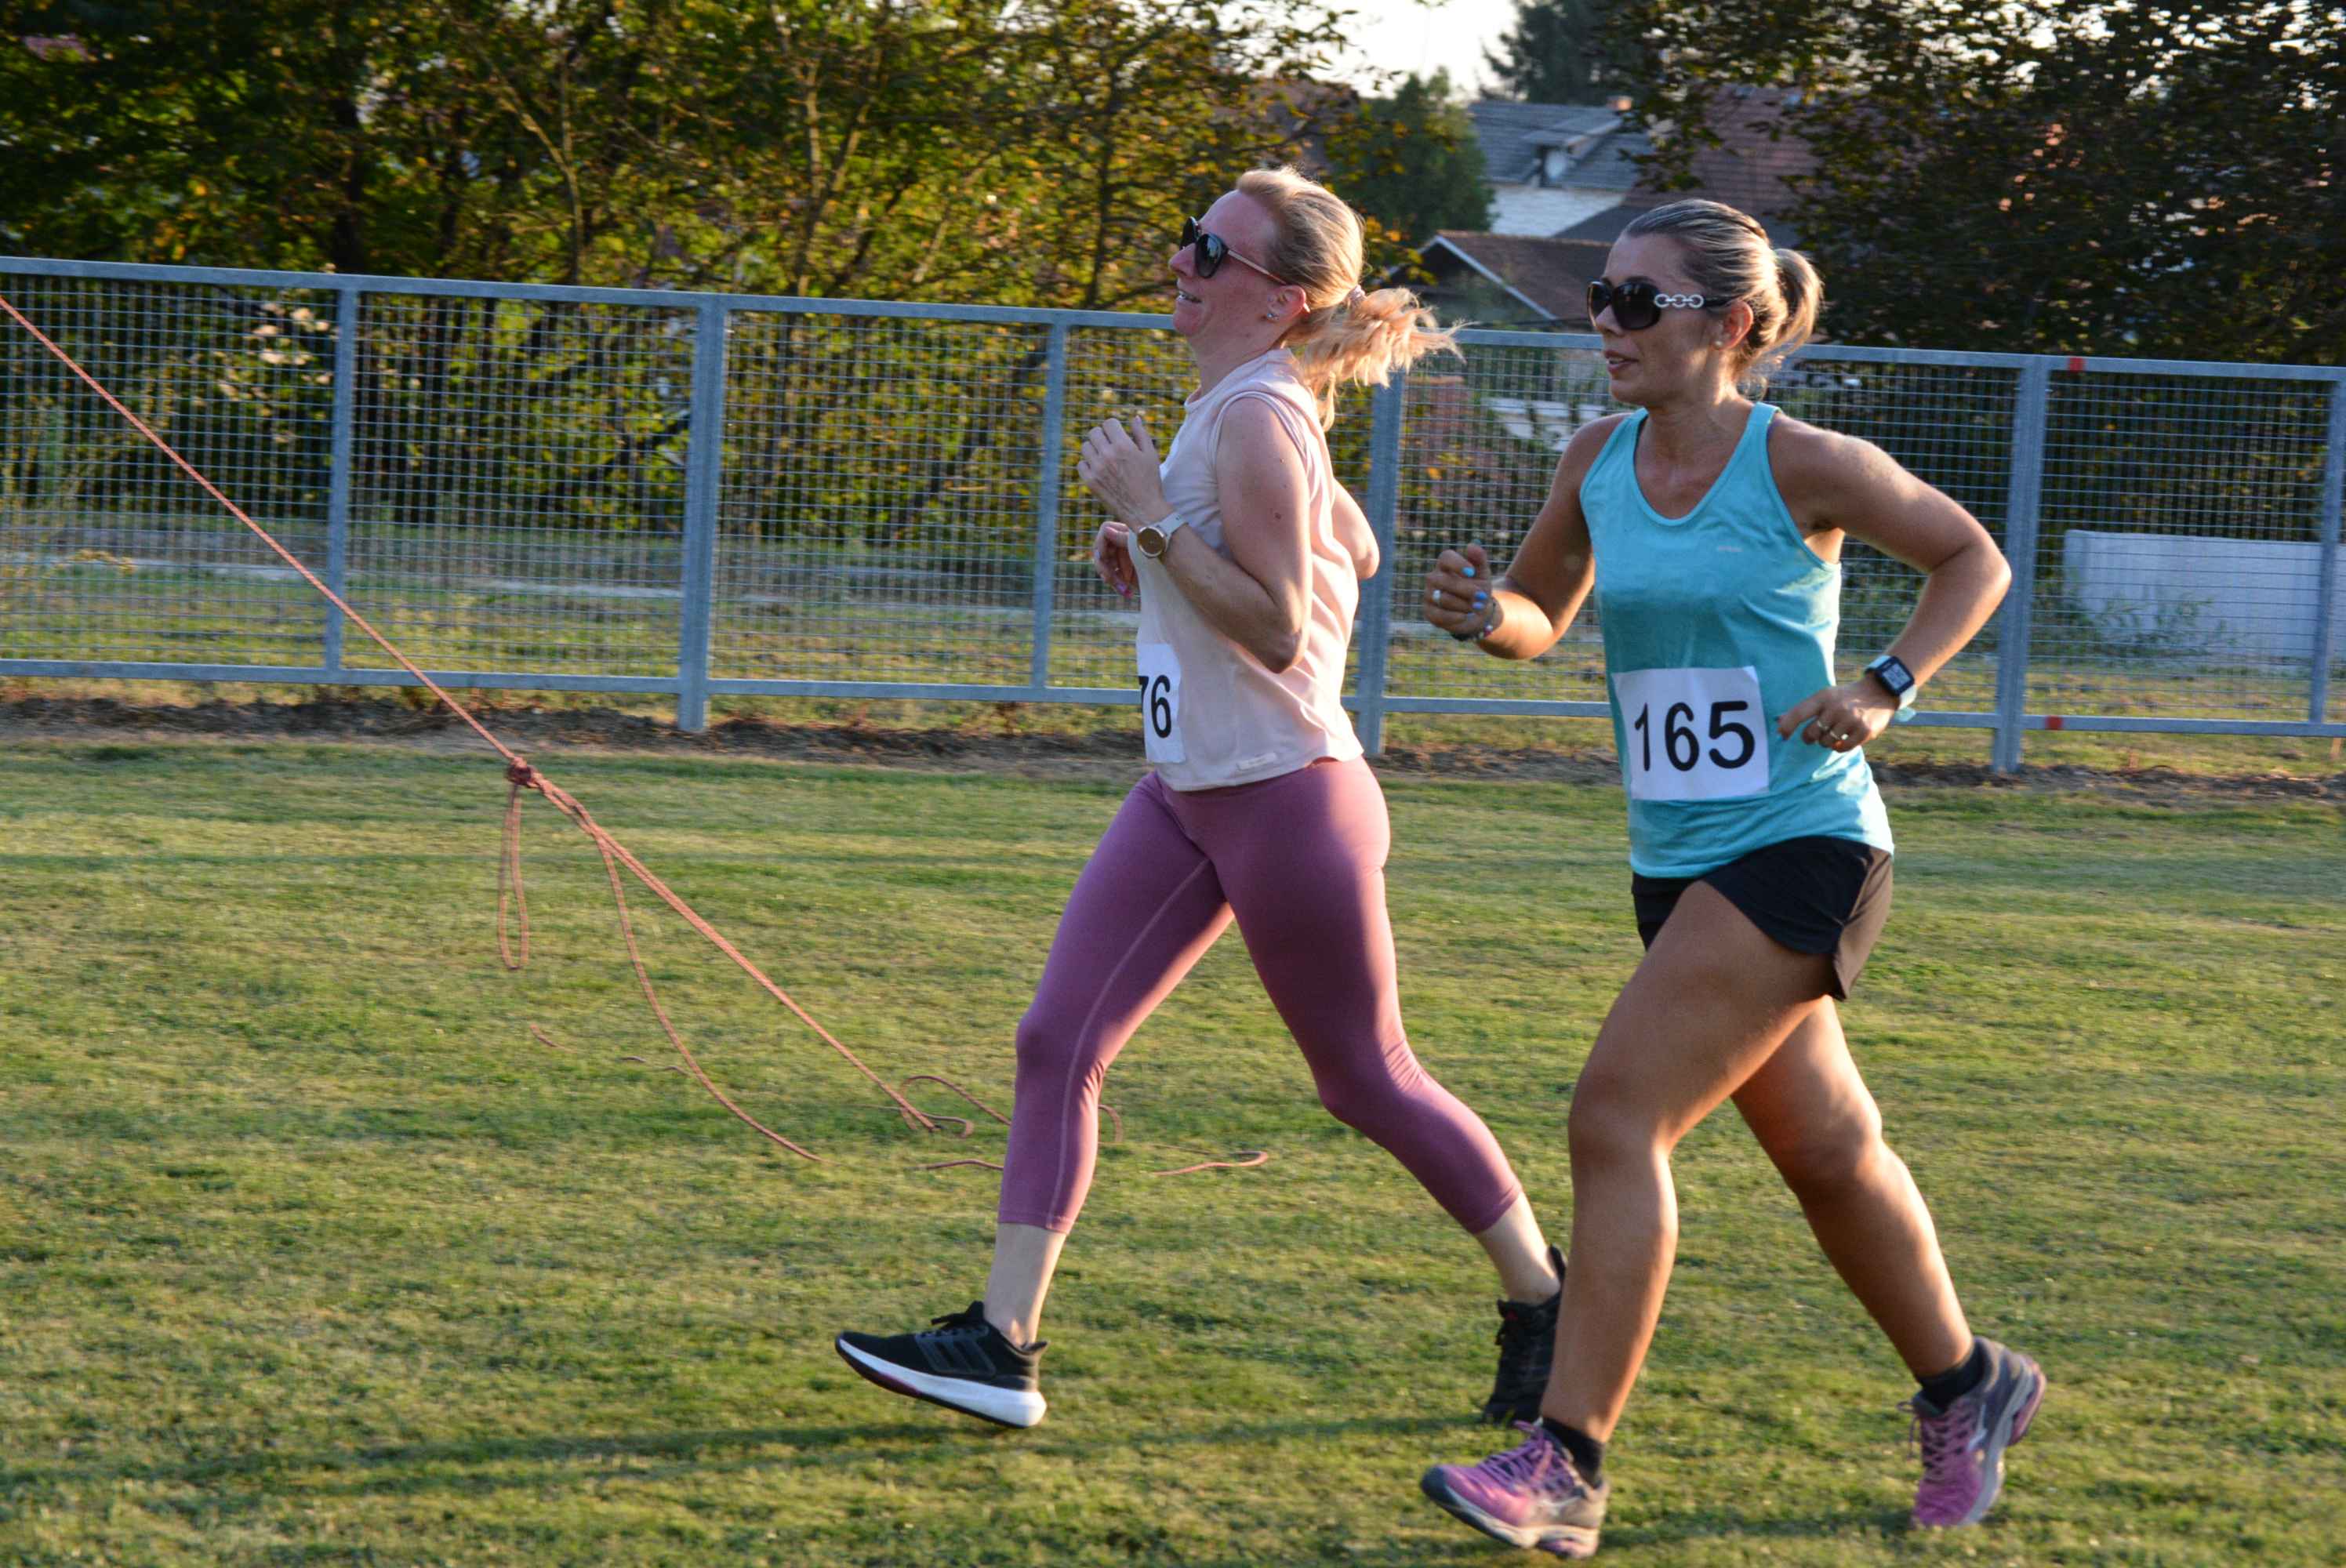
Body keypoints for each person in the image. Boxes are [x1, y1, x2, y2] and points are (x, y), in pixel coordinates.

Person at [835, 166, 1565, 1430]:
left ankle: (1548, 1300)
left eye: (1210, 253)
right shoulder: (1244, 404)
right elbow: (1352, 548)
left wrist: (1153, 523)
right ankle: (1002, 1345)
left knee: (1365, 1080)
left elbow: (1283, 630)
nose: (1181, 262)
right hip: (1188, 795)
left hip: (1288, 800)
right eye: (1187, 240)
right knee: (1055, 1043)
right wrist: (1162, 553)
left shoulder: (1259, 416)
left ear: (1280, 300)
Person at [1412, 198, 2042, 1557]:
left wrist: (1885, 684)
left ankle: (1566, 1466)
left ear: (1732, 326)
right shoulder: (1597, 455)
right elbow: (1542, 614)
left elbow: (1970, 557)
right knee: (1826, 1154)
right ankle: (1969, 1383)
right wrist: (1488, 616)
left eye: (1639, 303)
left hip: (1807, 840)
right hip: (1677, 863)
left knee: (1614, 1117)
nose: (1607, 324)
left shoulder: (1806, 461)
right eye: (1602, 299)